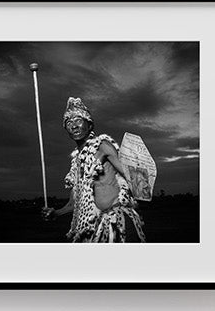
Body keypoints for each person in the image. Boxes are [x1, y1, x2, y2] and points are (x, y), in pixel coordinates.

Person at [43, 97, 146, 243]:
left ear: (89, 125)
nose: (74, 126)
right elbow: (73, 204)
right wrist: (56, 213)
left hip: (117, 223)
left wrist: (141, 184)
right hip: (95, 227)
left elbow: (132, 177)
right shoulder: (76, 163)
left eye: (78, 120)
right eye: (69, 122)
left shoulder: (102, 146)